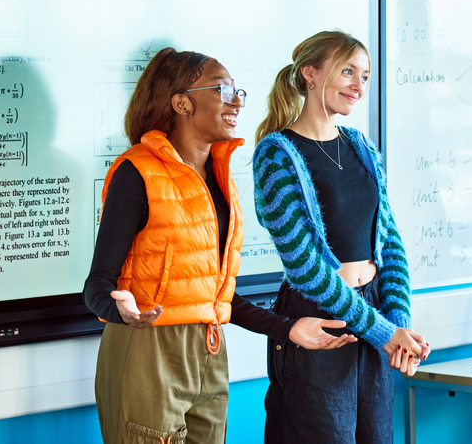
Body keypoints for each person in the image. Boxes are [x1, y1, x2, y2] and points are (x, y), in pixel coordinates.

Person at [82, 47, 357, 444]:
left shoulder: (220, 180)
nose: (236, 101)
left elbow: (216, 297)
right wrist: (122, 310)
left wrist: (288, 329)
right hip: (147, 348)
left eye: (237, 91)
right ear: (182, 104)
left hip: (210, 351)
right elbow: (97, 284)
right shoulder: (137, 171)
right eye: (222, 89)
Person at [253, 31, 430, 444]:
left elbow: (390, 244)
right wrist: (386, 334)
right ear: (309, 73)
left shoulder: (362, 147)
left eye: (365, 76)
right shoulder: (277, 154)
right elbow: (306, 268)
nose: (358, 85)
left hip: (373, 317)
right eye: (347, 71)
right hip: (320, 318)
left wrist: (398, 326)